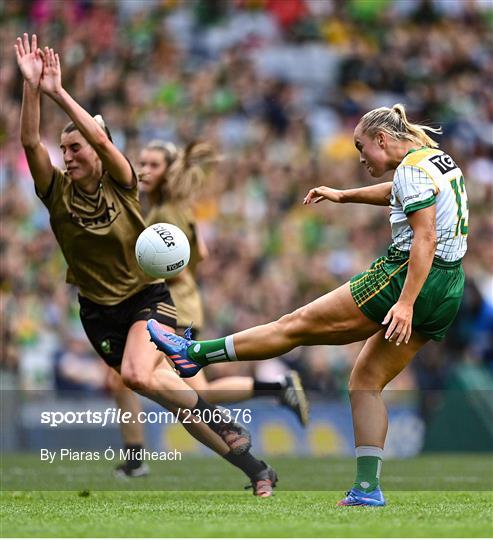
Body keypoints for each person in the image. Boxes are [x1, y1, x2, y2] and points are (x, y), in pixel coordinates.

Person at [148, 103, 468, 506]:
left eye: (361, 147)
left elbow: (425, 238)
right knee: (365, 382)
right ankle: (367, 489)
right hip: (448, 286)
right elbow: (398, 193)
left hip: (408, 274)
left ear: (382, 140)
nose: (360, 157)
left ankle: (195, 353)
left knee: (294, 324)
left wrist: (404, 303)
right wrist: (343, 196)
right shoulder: (433, 160)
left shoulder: (409, 169)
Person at [15, 33, 278, 496]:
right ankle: (255, 468)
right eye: (65, 149)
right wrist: (31, 88)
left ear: (100, 151)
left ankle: (224, 423)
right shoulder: (54, 192)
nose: (68, 155)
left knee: (137, 376)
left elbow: (96, 132)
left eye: (76, 148)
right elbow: (30, 141)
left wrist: (59, 91)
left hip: (146, 301)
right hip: (98, 314)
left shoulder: (123, 184)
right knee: (164, 390)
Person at [112, 139, 309, 477]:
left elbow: (181, 262)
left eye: (153, 164)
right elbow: (199, 252)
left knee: (171, 388)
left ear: (169, 172)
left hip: (174, 307)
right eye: (141, 162)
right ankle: (276, 390)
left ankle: (138, 458)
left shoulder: (164, 212)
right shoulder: (171, 208)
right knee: (186, 389)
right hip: (182, 303)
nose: (143, 169)